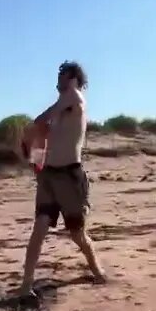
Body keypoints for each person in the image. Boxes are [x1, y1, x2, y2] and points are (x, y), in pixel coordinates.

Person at [16, 61, 108, 299]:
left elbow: (38, 122)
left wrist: (36, 129)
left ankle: (97, 269)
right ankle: (26, 286)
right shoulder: (59, 111)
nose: (60, 80)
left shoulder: (74, 97)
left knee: (77, 233)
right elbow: (41, 135)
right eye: (59, 76)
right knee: (39, 229)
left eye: (64, 76)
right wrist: (36, 163)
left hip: (69, 176)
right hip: (49, 176)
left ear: (75, 79)